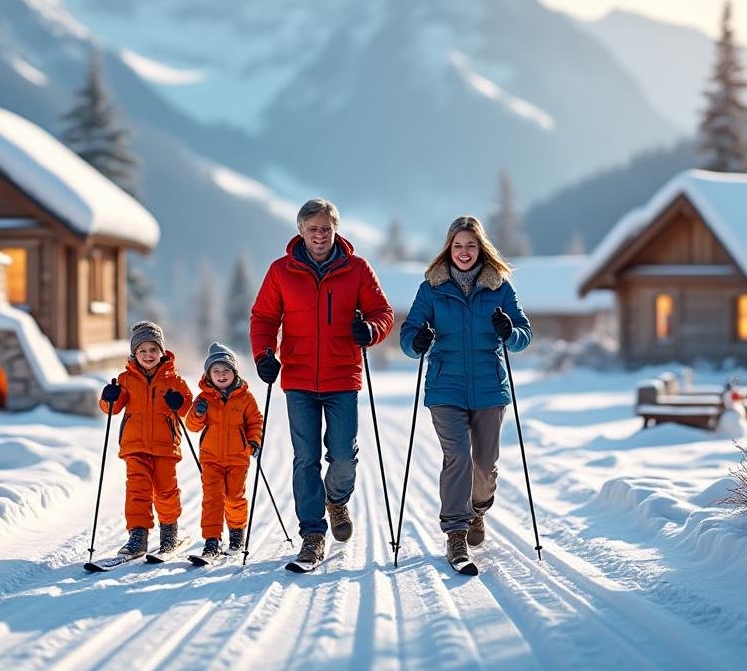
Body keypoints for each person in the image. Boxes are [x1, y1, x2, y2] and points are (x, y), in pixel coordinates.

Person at [250, 198, 394, 567]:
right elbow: (264, 317)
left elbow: (382, 313)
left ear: (335, 230)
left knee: (344, 456)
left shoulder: (357, 269)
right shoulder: (281, 271)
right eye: (313, 228)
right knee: (305, 459)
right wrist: (265, 355)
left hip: (343, 375)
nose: (319, 235)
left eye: (326, 228)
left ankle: (337, 500)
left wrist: (371, 330)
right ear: (300, 230)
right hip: (298, 378)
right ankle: (312, 535)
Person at [398, 216, 533, 571]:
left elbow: (523, 334)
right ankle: (455, 534)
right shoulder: (432, 287)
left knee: (484, 465)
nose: (464, 252)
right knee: (457, 455)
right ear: (448, 248)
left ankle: (478, 510)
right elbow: (408, 335)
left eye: (470, 245)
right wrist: (417, 342)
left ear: (481, 248)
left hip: (489, 386)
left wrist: (510, 332)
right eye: (458, 245)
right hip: (446, 386)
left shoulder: (499, 286)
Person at [98, 321, 194, 558]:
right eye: (142, 351)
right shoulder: (126, 379)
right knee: (136, 491)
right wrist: (108, 398)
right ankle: (137, 536)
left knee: (166, 491)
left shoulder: (174, 380)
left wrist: (178, 403)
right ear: (134, 353)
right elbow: (111, 409)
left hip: (165, 447)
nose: (148, 355)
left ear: (162, 352)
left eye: (153, 350)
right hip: (135, 446)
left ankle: (169, 533)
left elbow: (188, 410)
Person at [184, 342, 263, 557]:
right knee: (213, 498)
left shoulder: (245, 398)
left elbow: (255, 421)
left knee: (235, 497)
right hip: (211, 458)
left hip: (238, 457)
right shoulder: (203, 399)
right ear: (209, 374)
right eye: (216, 371)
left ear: (234, 372)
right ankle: (212, 541)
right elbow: (191, 426)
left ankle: (237, 534)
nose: (221, 375)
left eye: (226, 370)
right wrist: (198, 413)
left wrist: (254, 441)